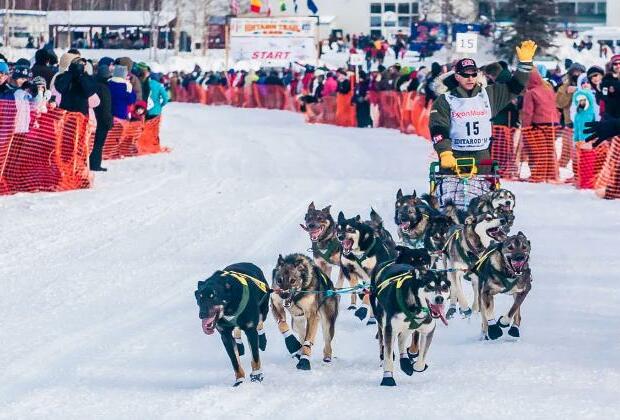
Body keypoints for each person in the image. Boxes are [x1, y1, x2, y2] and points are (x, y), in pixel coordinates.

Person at [429, 40, 537, 174]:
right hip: (454, 156)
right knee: (453, 194)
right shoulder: (445, 100)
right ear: (457, 76)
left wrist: (525, 64)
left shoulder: (489, 94)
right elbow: (438, 128)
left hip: (482, 157)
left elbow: (515, 86)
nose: (470, 78)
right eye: (465, 75)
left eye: (473, 74)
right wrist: (445, 153)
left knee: (483, 193)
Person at [91, 60, 113, 172]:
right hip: (102, 120)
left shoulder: (93, 84)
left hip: (92, 117)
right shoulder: (105, 88)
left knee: (92, 143)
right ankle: (95, 164)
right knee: (98, 144)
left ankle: (91, 162)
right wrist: (109, 121)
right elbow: (106, 108)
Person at [601, 54, 620, 119]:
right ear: (612, 66)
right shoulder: (607, 78)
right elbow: (604, 95)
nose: (618, 66)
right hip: (612, 113)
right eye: (615, 64)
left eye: (619, 63)